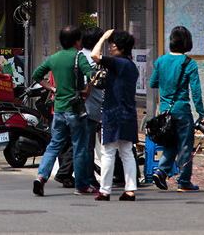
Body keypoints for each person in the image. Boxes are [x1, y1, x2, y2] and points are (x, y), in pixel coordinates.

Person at [30, 25, 97, 196]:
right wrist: (87, 90)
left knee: (53, 146)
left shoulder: (54, 58)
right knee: (79, 147)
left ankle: (41, 177)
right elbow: (92, 74)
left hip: (58, 109)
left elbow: (37, 75)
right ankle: (82, 185)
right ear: (77, 41)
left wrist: (52, 88)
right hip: (75, 109)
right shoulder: (78, 56)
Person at [149, 26, 204, 192]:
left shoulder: (160, 61)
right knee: (185, 146)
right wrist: (202, 114)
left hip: (164, 112)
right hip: (182, 111)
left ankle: (161, 171)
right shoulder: (189, 63)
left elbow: (153, 83)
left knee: (170, 143)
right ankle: (183, 182)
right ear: (187, 42)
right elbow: (195, 92)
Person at [91, 29, 138, 201]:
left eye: (113, 46)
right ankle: (130, 189)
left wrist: (103, 37)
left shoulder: (119, 63)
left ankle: (105, 190)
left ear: (122, 49)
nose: (110, 49)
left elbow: (95, 56)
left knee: (108, 152)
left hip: (113, 112)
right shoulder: (131, 66)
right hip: (128, 113)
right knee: (127, 152)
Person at [81, 26, 106, 189]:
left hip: (75, 108)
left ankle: (82, 178)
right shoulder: (97, 59)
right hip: (91, 109)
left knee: (81, 146)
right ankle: (88, 179)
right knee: (88, 147)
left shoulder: (76, 56)